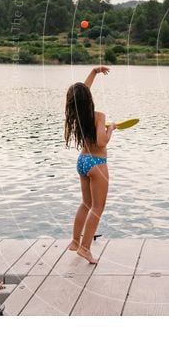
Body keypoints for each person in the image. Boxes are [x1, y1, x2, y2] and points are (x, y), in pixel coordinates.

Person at [64, 66, 117, 263]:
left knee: (85, 203)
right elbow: (102, 142)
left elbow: (82, 93)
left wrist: (94, 73)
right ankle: (85, 248)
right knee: (97, 207)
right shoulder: (98, 116)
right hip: (97, 163)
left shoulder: (76, 114)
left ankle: (75, 242)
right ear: (89, 99)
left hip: (82, 161)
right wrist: (110, 128)